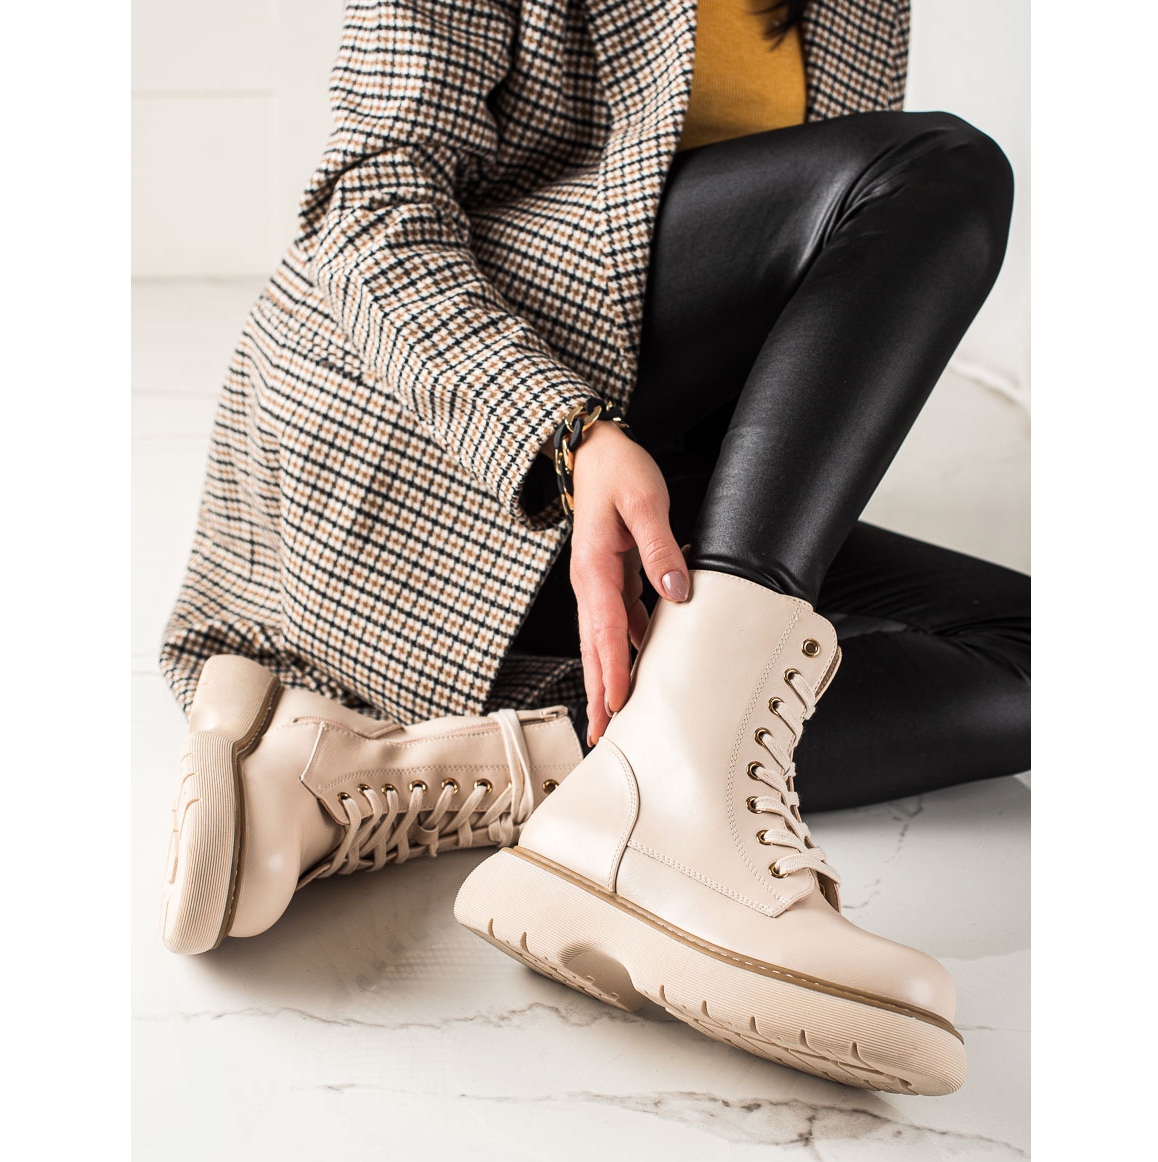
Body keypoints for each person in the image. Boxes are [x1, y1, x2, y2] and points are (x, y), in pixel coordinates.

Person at [157, 0, 1029, 1097]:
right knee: (936, 170)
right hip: (436, 446)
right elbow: (365, 205)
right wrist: (565, 435)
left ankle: (441, 777)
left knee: (1036, 653)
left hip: (651, 495)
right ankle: (675, 814)